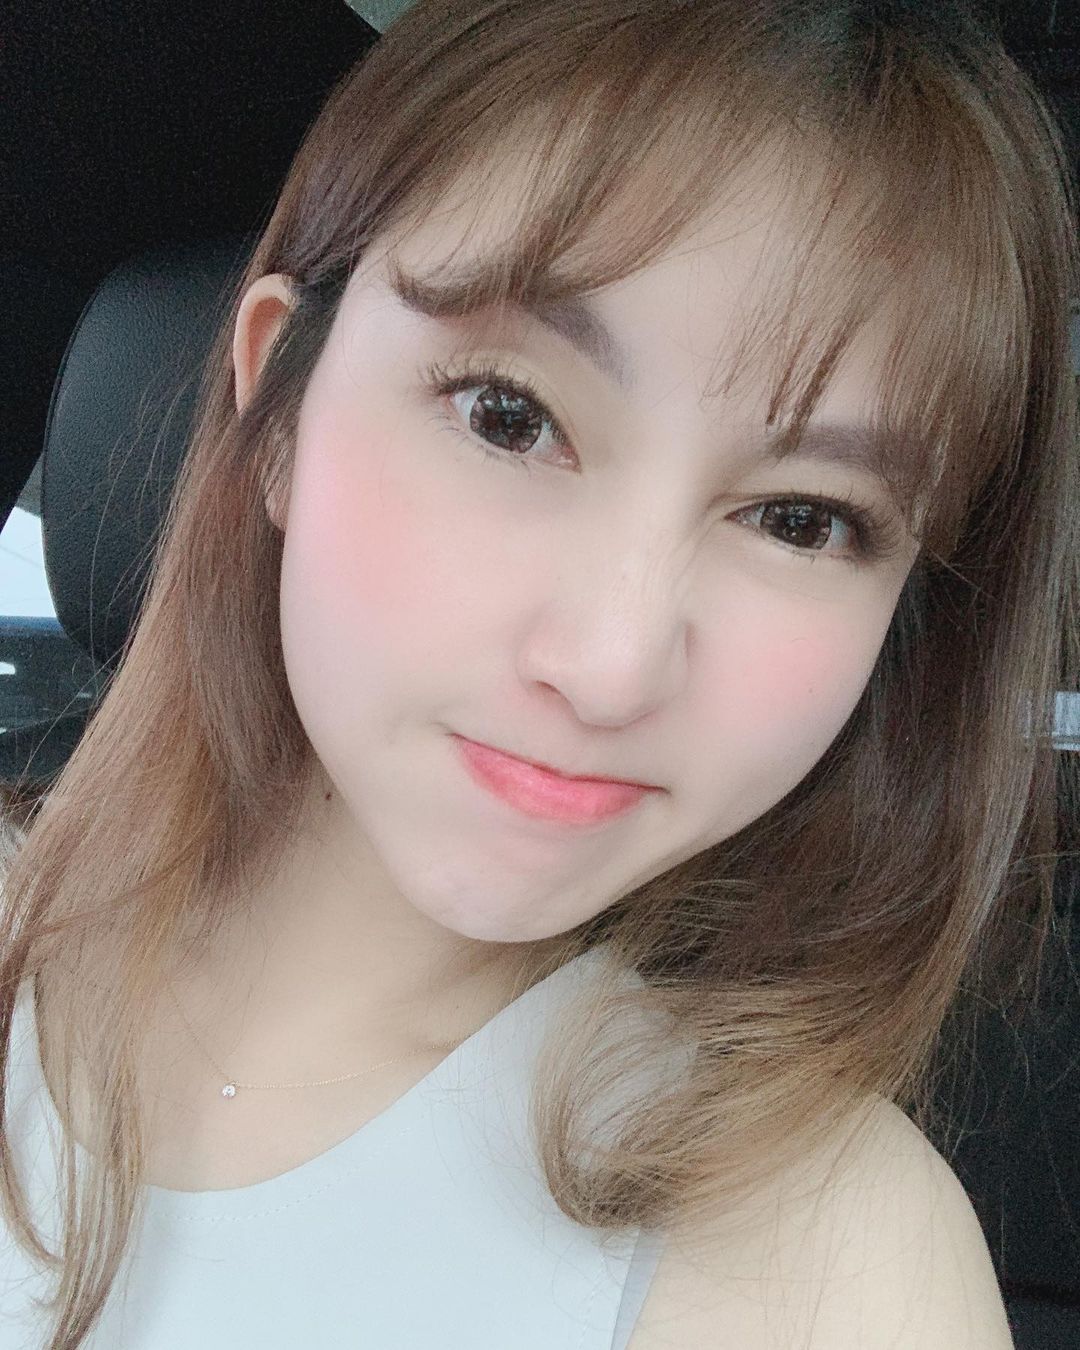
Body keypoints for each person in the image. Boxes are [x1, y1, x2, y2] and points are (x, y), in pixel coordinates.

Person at [0, 0, 1077, 1345]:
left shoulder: (834, 1266)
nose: (612, 669)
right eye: (509, 417)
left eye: (803, 520)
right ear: (278, 405)